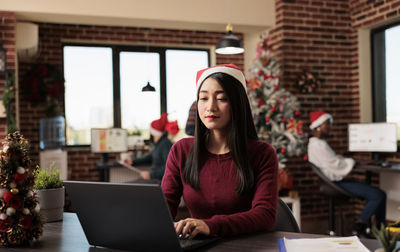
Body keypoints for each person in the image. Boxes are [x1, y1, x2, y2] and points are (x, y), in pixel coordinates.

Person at [161, 64, 279, 239]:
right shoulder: (181, 150)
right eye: (203, 98)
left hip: (247, 250)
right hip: (197, 250)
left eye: (222, 98)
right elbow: (165, 206)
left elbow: (265, 216)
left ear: (237, 104)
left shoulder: (262, 153)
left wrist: (210, 225)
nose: (211, 107)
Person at [307, 110, 386, 237]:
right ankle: (361, 226)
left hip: (333, 182)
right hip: (336, 184)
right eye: (328, 124)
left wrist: (349, 161)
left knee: (377, 194)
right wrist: (352, 161)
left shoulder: (317, 144)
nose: (330, 127)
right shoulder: (318, 145)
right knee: (378, 195)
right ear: (319, 125)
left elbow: (333, 160)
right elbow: (335, 164)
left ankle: (379, 230)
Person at [124, 113, 179, 182]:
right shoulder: (159, 144)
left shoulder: (165, 144)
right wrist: (133, 161)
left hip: (159, 182)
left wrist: (151, 175)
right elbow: (148, 157)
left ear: (154, 133)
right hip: (155, 179)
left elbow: (170, 167)